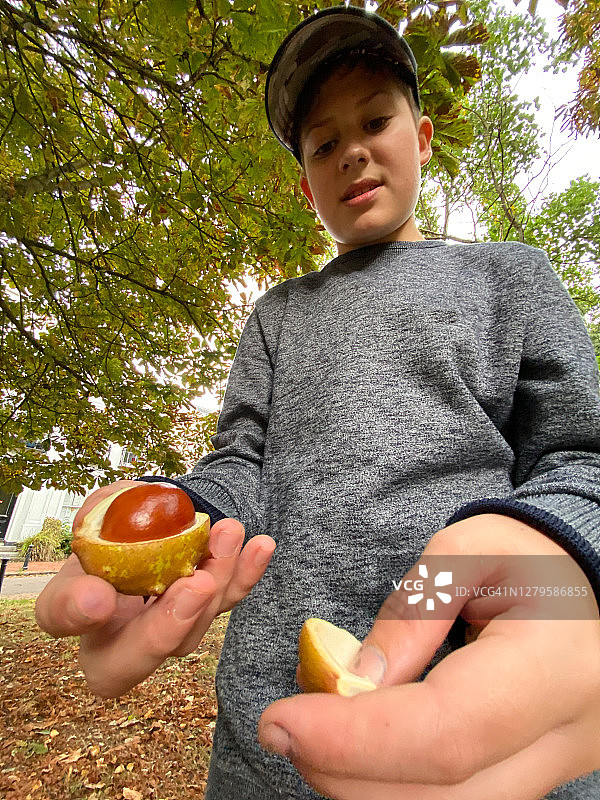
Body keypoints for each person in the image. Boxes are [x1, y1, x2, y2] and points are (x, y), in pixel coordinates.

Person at [36, 6, 600, 799]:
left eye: (374, 121)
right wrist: (180, 518)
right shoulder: (279, 314)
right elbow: (239, 464)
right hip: (270, 729)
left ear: (423, 138)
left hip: (491, 699)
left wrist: (562, 560)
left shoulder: (510, 278)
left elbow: (580, 458)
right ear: (307, 185)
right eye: (324, 144)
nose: (352, 152)